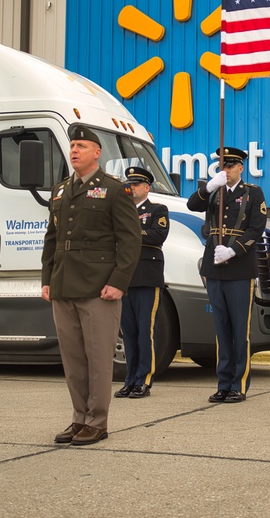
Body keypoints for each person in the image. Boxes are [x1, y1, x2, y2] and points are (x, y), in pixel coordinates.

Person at [42, 124, 141, 446]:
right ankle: (78, 418)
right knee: (73, 360)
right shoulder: (60, 190)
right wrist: (47, 280)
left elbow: (130, 240)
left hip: (99, 287)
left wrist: (119, 282)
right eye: (72, 145)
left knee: (98, 358)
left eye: (82, 146)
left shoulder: (114, 189)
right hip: (64, 284)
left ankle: (97, 421)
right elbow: (52, 240)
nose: (74, 150)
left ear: (97, 153)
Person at [186, 146, 267, 403]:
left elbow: (256, 228)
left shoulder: (252, 193)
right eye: (223, 165)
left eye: (231, 165)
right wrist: (209, 187)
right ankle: (223, 382)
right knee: (221, 327)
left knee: (239, 328)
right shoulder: (214, 191)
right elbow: (192, 204)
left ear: (241, 168)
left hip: (239, 266)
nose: (226, 170)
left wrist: (233, 251)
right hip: (214, 265)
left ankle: (239, 384)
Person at [114, 166, 169, 399]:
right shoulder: (119, 211)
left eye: (136, 184)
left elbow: (157, 235)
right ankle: (130, 380)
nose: (131, 187)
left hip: (147, 276)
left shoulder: (157, 209)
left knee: (145, 331)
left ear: (146, 187)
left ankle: (144, 380)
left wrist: (131, 232)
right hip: (124, 279)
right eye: (129, 184)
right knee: (129, 332)